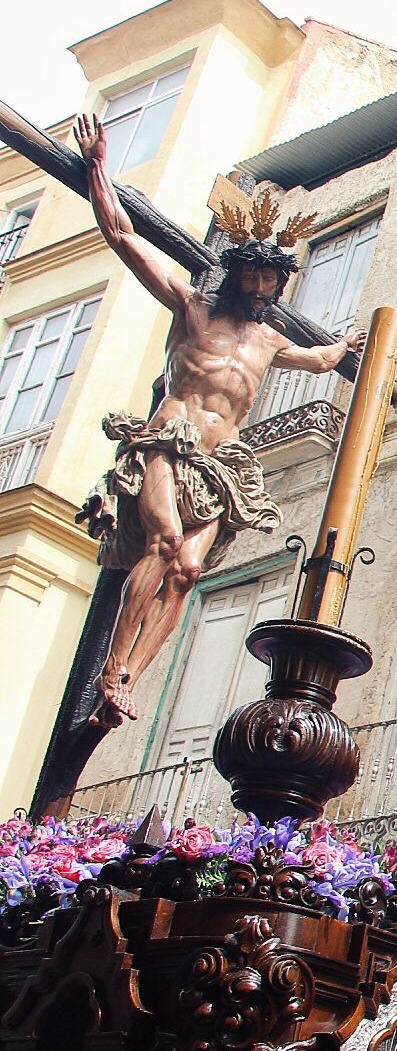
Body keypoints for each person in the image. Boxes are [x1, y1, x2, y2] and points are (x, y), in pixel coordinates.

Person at [70, 114, 362, 726]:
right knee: (167, 540)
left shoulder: (272, 342)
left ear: (280, 283)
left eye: (270, 278)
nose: (260, 286)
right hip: (167, 443)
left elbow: (322, 358)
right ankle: (111, 663)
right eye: (252, 274)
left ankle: (129, 678)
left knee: (189, 569)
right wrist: (99, 167)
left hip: (219, 464)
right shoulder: (193, 308)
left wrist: (351, 343)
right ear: (236, 274)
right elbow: (125, 238)